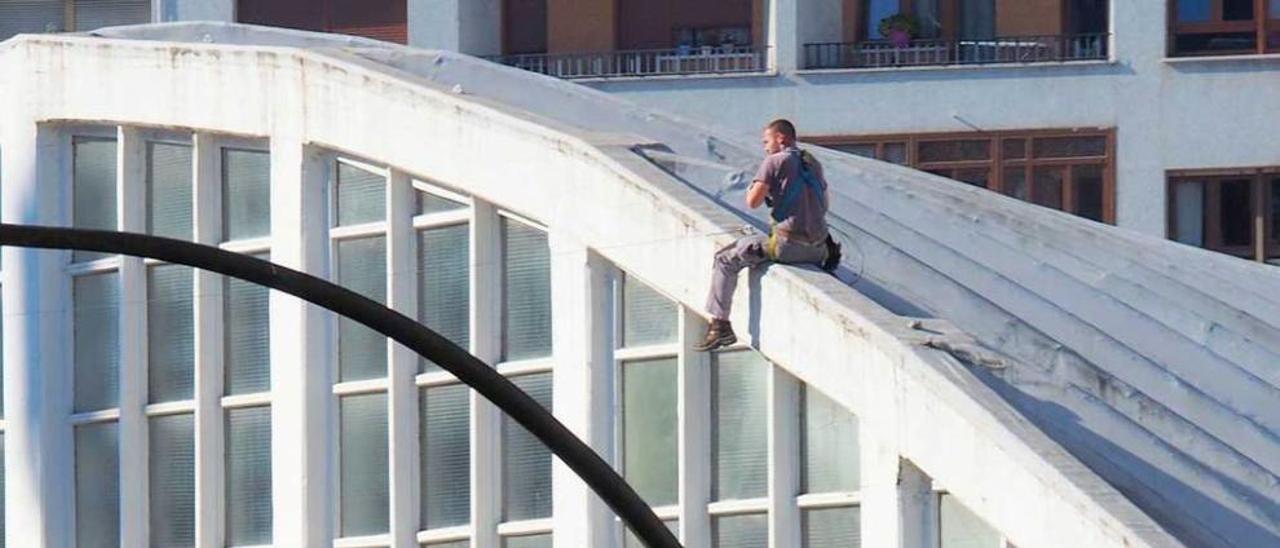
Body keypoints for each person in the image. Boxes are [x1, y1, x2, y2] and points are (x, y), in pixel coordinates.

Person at [696, 119, 841, 351]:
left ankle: (719, 325)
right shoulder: (812, 162)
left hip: (787, 246)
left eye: (767, 141)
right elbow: (824, 203)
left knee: (725, 258)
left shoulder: (774, 161)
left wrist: (758, 188)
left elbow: (752, 202)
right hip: (819, 248)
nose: (765, 147)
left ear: (781, 138)